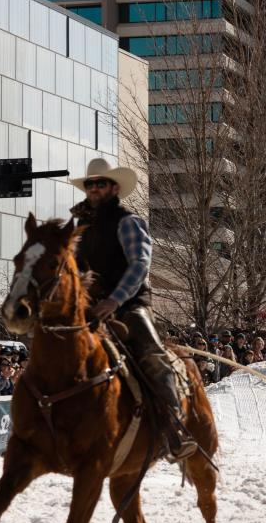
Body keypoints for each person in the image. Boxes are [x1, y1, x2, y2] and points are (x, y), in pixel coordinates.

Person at [70, 157, 196, 461]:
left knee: (153, 357)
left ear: (114, 188)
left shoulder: (128, 220)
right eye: (90, 184)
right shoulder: (80, 226)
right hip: (90, 307)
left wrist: (115, 299)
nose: (95, 188)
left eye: (101, 183)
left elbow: (140, 263)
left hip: (129, 305)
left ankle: (173, 429)